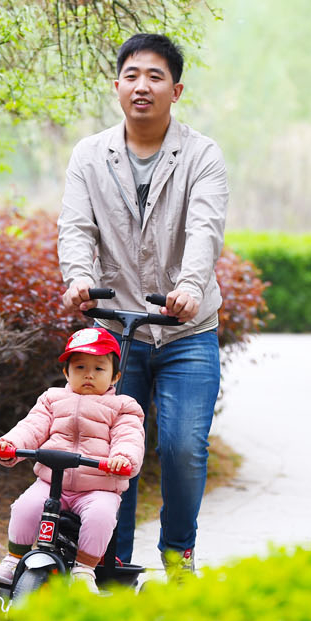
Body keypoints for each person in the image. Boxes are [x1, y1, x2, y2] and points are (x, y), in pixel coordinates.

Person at [56, 32, 229, 577]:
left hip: (185, 330)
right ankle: (114, 562)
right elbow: (75, 228)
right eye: (132, 75)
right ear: (117, 86)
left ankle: (179, 553)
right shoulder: (90, 155)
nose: (142, 86)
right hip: (115, 336)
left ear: (175, 90)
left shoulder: (201, 154)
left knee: (181, 447)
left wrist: (192, 286)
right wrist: (79, 278)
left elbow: (206, 228)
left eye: (155, 76)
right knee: (110, 454)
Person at [0, 328, 145, 594]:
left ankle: (84, 569)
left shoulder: (123, 407)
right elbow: (31, 427)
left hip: (97, 488)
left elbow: (129, 438)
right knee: (25, 506)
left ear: (115, 376)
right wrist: (10, 445)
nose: (89, 374)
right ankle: (14, 560)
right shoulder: (52, 399)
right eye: (80, 366)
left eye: (99, 368)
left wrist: (122, 459)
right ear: (67, 373)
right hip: (51, 483)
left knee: (101, 515)